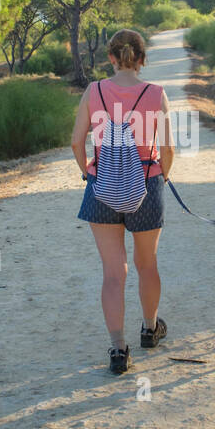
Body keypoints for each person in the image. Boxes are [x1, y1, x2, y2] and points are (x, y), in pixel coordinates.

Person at [70, 29, 174, 374]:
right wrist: (165, 175)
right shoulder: (156, 94)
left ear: (112, 58)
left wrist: (88, 172)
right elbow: (168, 148)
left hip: (102, 189)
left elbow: (76, 142)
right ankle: (149, 328)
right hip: (147, 183)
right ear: (142, 59)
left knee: (114, 274)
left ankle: (118, 349)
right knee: (148, 264)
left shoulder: (94, 90)